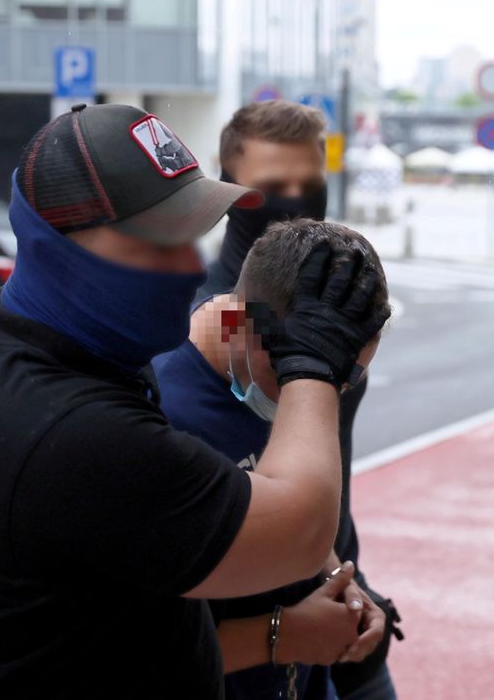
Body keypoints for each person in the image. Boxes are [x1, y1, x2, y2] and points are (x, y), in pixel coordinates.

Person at [0, 103, 390, 699]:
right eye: (160, 242)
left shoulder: (34, 342)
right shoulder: (70, 426)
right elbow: (298, 531)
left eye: (193, 237)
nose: (189, 269)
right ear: (64, 250)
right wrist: (313, 365)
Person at [201, 101, 403, 699]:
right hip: (246, 621)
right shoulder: (208, 318)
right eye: (272, 184)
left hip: (335, 584)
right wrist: (280, 630)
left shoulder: (339, 290)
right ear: (231, 182)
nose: (292, 193)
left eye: (307, 182)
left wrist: (343, 575)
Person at [155, 220, 391, 700]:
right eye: (299, 374)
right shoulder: (158, 413)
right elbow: (130, 653)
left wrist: (336, 577)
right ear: (237, 325)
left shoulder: (300, 371)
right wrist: (284, 635)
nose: (324, 395)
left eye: (347, 380)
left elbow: (282, 505)